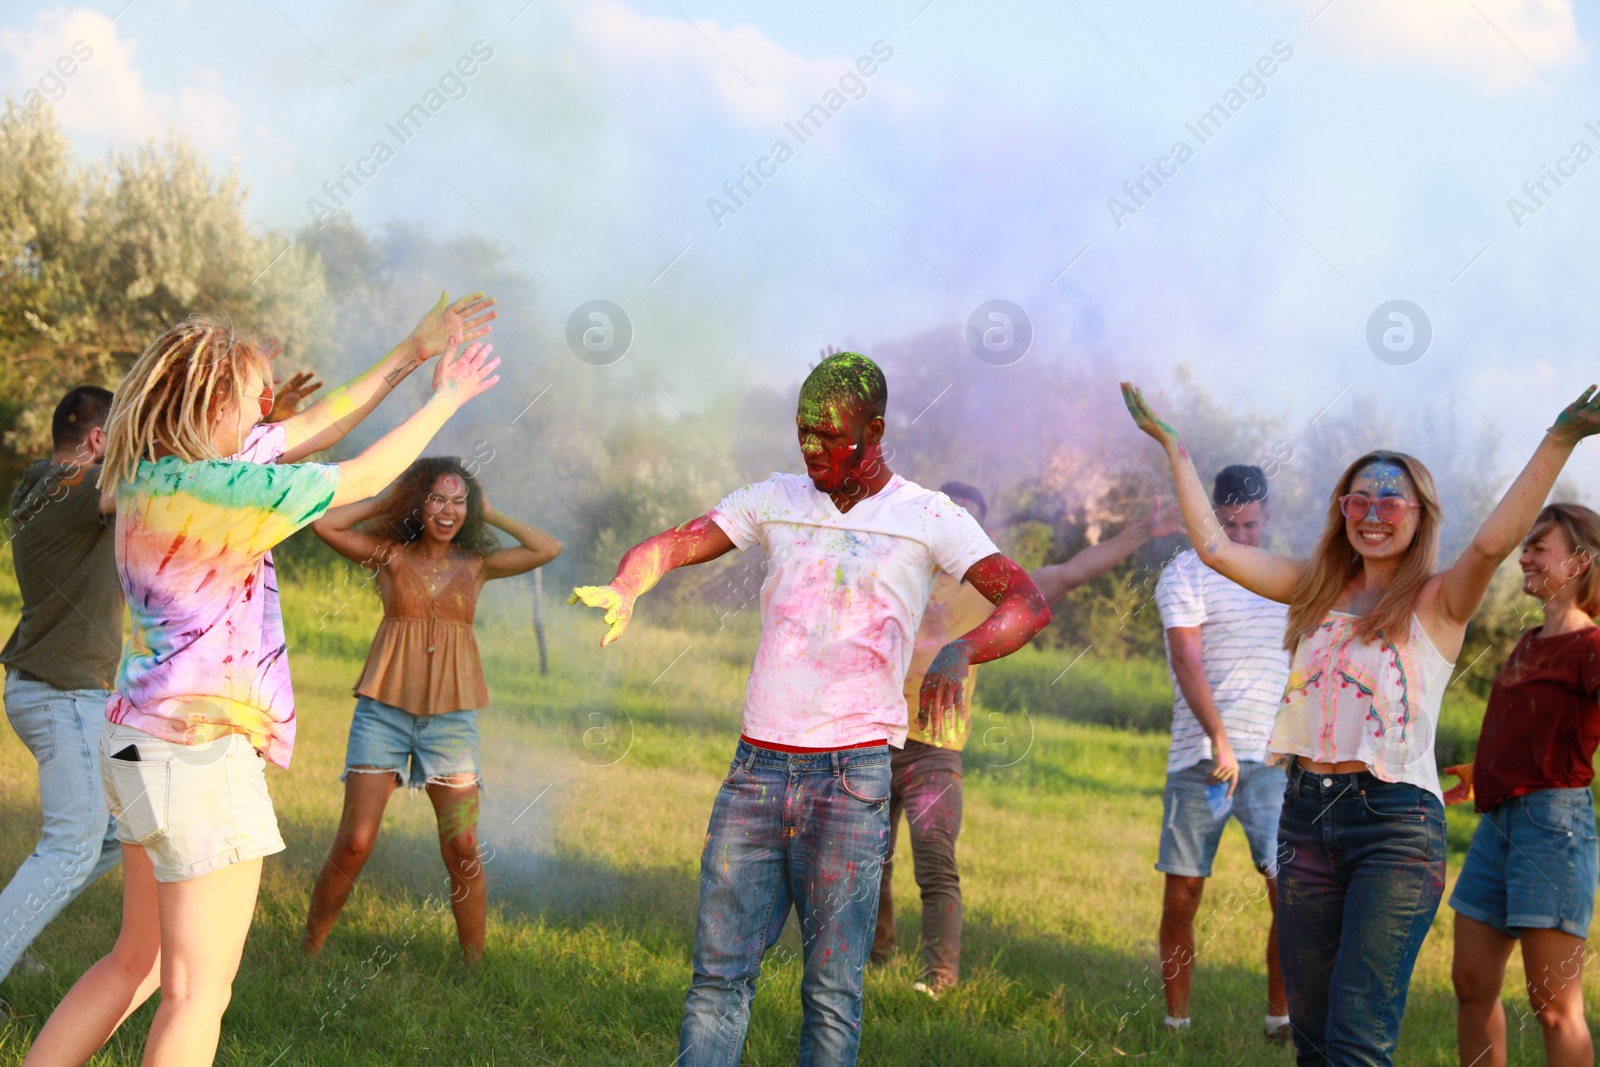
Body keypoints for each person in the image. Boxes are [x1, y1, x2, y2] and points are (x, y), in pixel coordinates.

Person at [19, 319, 500, 1067]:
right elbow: (366, 475)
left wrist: (408, 352)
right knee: (197, 995)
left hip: (137, 743)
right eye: (251, 394)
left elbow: (310, 424)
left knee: (136, 962)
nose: (266, 404)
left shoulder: (147, 472)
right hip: (201, 758)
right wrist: (446, 398)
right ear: (211, 403)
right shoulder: (224, 490)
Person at [570, 352, 1052, 1067]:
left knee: (831, 992)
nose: (812, 448)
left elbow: (1026, 600)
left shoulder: (926, 516)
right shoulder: (777, 498)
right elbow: (675, 543)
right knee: (718, 977)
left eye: (831, 436)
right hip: (756, 771)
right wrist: (627, 582)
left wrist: (962, 649)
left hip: (853, 778)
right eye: (803, 432)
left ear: (877, 429)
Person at [1122, 381, 1600, 1067]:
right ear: (1341, 509)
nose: (1372, 512)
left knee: (1357, 1040)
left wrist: (1560, 438)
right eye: (1358, 499)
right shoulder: (1313, 586)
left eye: (1389, 500)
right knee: (1312, 1041)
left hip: (1395, 828)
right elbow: (1217, 551)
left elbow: (1493, 544)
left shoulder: (1440, 598)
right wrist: (1176, 448)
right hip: (1305, 817)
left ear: (1418, 513)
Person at [872, 480, 1178, 999]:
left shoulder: (993, 593)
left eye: (967, 521)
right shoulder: (891, 574)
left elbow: (1074, 571)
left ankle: (939, 979)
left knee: (935, 860)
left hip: (935, 751)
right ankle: (874, 954)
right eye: (946, 516)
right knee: (867, 857)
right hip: (872, 739)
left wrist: (1143, 531)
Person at [301, 458, 561, 962]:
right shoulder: (390, 557)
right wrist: (390, 497)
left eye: (459, 501)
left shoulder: (477, 564)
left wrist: (493, 513)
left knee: (462, 844)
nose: (448, 510)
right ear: (419, 503)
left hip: (451, 723)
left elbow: (548, 547)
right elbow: (323, 522)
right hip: (384, 713)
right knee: (355, 841)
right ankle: (308, 953)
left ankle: (473, 969)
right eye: (437, 498)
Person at [1446, 503, 1600, 1067]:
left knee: (1554, 1006)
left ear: (1580, 561)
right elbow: (1527, 728)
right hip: (1498, 824)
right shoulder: (1532, 640)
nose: (1524, 556)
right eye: (1525, 546)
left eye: (1539, 547)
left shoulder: (1591, 648)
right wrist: (1483, 769)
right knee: (1470, 982)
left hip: (1554, 830)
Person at [1151, 464, 1290, 1042]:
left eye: (1251, 525)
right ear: (1211, 516)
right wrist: (1221, 740)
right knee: (1184, 893)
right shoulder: (1186, 573)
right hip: (1200, 761)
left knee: (1291, 892)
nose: (1240, 536)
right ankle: (1176, 1020)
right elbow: (1188, 659)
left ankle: (1280, 1018)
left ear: (1267, 518)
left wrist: (1291, 740)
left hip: (1273, 764)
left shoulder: (1286, 579)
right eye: (1228, 524)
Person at [1, 388, 121, 988]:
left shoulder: (42, 483)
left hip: (69, 695)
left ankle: (9, 932)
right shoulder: (72, 488)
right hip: (66, 697)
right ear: (98, 442)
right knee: (73, 843)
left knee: (121, 827)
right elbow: (166, 484)